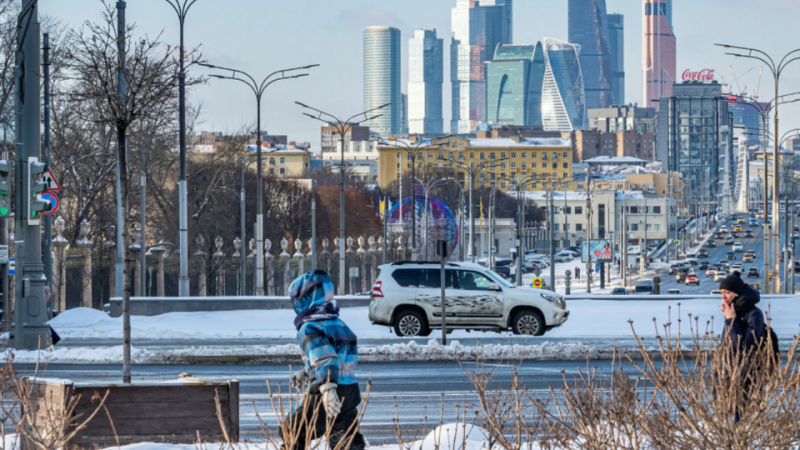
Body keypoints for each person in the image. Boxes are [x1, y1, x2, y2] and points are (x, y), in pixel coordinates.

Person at [286, 270, 366, 450]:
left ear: (306, 299)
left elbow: (325, 358)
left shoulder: (309, 327)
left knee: (292, 430)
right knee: (346, 439)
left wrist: (327, 387)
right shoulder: (339, 323)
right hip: (350, 388)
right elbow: (340, 356)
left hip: (325, 391)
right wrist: (308, 370)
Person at [719, 271, 766, 423]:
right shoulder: (732, 313)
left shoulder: (753, 314)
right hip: (728, 381)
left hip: (745, 381)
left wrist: (731, 321)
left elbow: (745, 346)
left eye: (727, 292)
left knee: (740, 429)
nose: (723, 297)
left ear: (738, 293)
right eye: (722, 293)